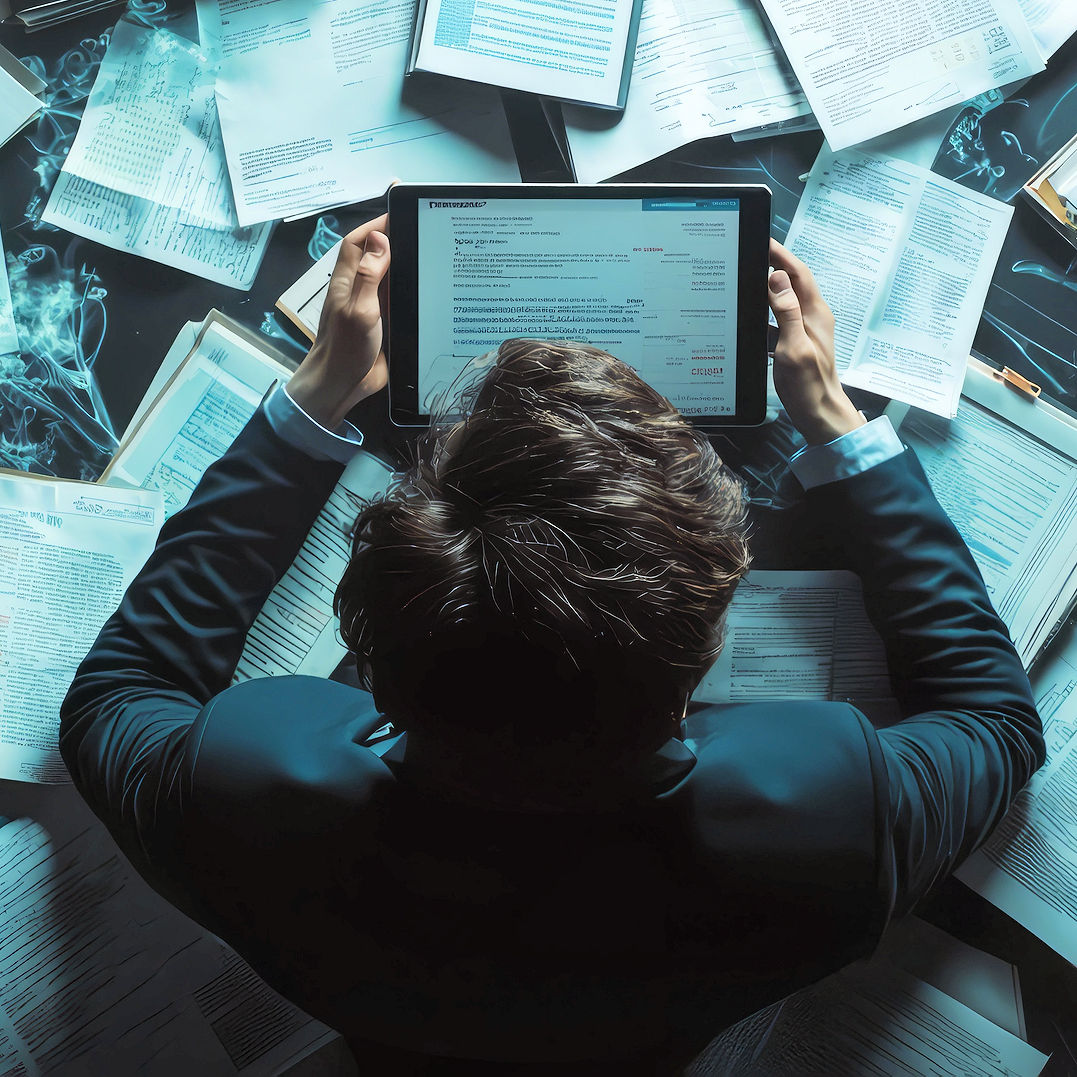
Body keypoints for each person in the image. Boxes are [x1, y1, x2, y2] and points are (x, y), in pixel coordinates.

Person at [60, 214, 1044, 1074]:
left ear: (376, 661)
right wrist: (835, 419)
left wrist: (311, 401)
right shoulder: (825, 822)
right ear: (699, 676)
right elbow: (996, 726)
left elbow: (116, 695)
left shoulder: (242, 792)